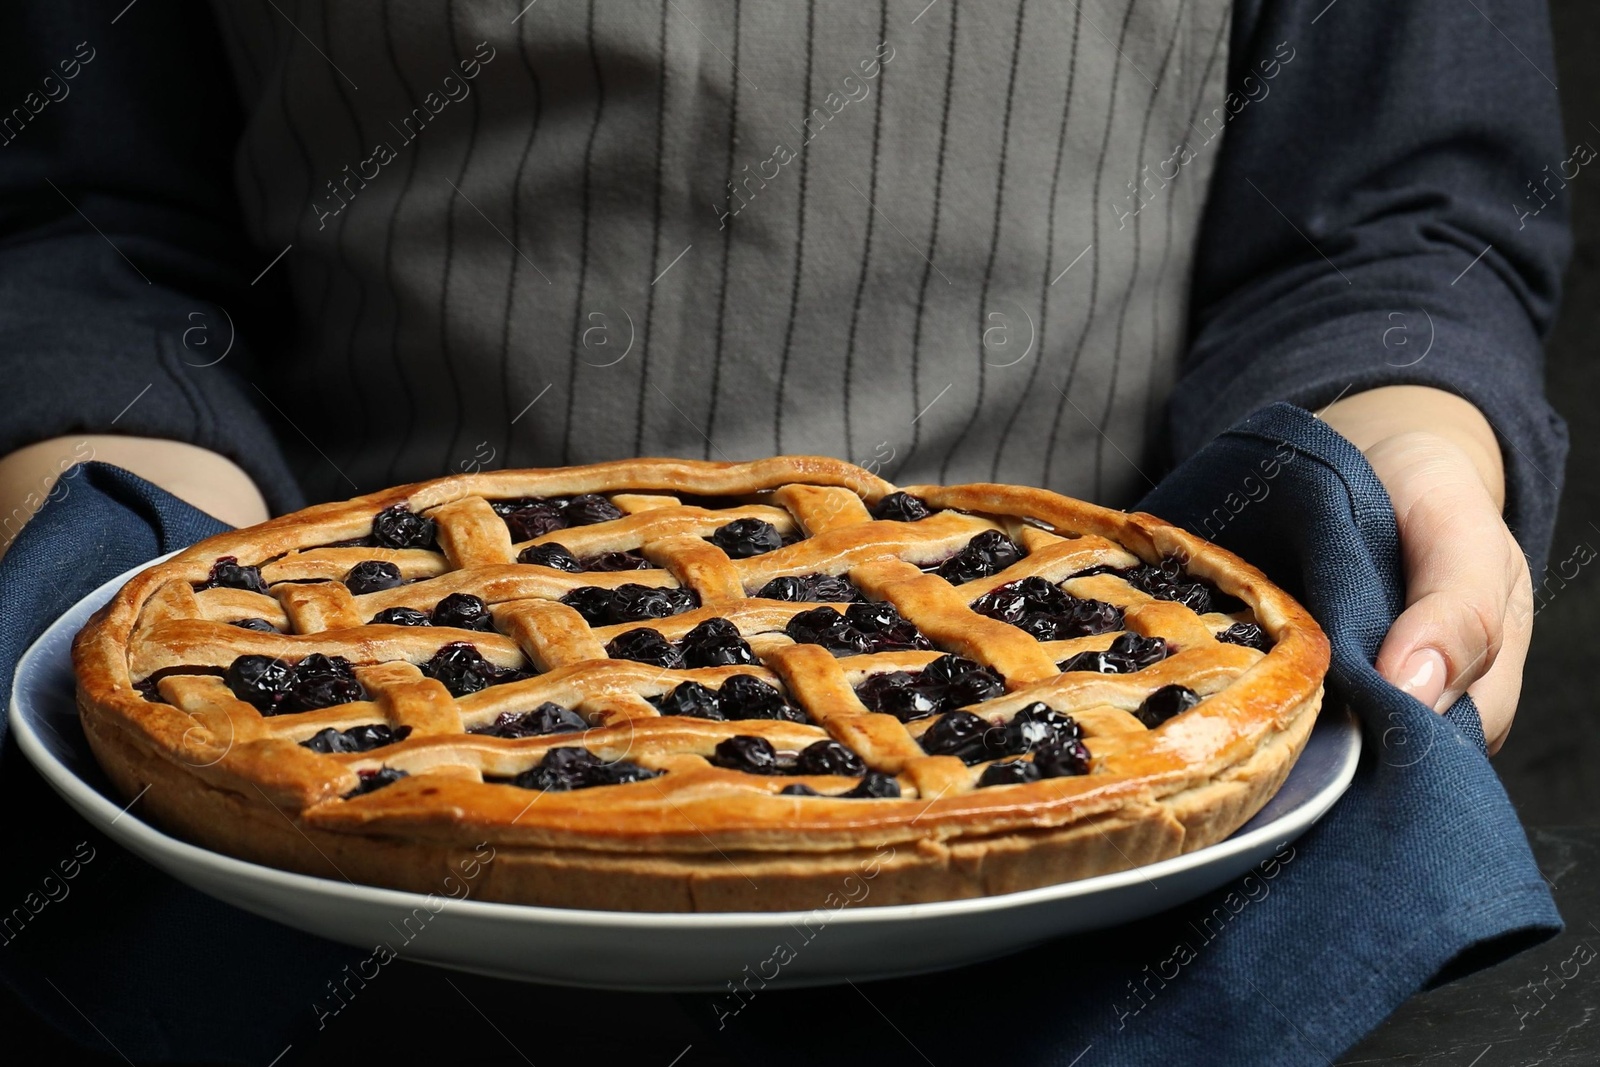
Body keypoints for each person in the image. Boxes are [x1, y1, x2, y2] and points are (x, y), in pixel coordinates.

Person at [0, 2, 1565, 760]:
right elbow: (89, 223)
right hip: (351, 757)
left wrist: (1396, 461)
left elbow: (1383, 213)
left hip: (1081, 760)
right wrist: (113, 557)